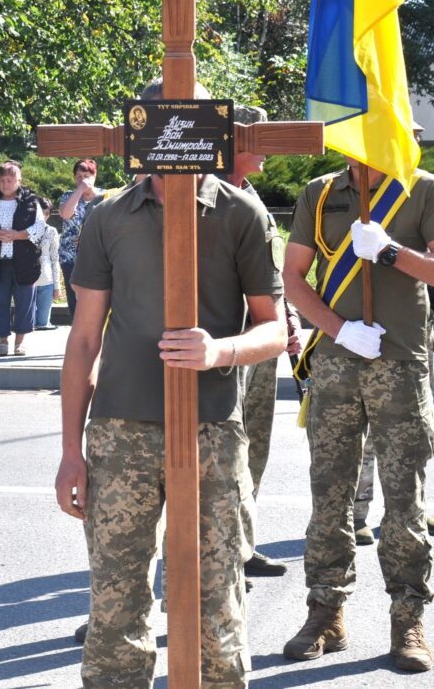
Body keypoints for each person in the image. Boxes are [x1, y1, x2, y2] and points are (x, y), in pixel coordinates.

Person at [55, 79, 288, 688]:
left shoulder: (241, 213)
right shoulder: (109, 216)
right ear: (139, 131)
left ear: (211, 128)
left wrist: (220, 350)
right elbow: (83, 340)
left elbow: (276, 331)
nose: (175, 134)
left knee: (216, 601)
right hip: (121, 431)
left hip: (211, 431)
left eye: (189, 120)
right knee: (116, 603)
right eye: (160, 121)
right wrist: (70, 451)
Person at [282, 154, 434, 672]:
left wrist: (390, 252)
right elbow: (294, 277)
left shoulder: (424, 188)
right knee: (330, 494)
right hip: (337, 362)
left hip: (401, 364)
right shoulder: (319, 193)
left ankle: (407, 617)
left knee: (404, 499)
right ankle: (325, 611)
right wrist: (338, 330)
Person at [228, 105, 303, 581]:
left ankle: (242, 542)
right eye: (261, 137)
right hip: (228, 343)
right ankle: (218, 556)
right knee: (226, 447)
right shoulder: (200, 195)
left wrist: (289, 318)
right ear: (237, 140)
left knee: (255, 443)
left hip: (262, 340)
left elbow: (271, 275)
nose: (269, 148)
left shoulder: (250, 197)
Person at [352, 286, 434, 545]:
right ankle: (356, 514)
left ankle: (412, 508)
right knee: (369, 436)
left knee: (418, 428)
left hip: (418, 332)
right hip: (374, 328)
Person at [0, 160, 45, 356]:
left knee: (24, 302)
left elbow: (40, 227)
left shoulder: (31, 201)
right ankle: (2, 341)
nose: (6, 184)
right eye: (3, 180)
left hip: (24, 261)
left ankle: (20, 342)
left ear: (19, 181)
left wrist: (17, 235)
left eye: (10, 180)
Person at [57, 159, 105, 321]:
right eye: (79, 176)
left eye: (86, 176)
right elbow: (66, 214)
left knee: (97, 298)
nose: (83, 180)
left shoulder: (105, 197)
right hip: (70, 257)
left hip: (97, 257)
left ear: (94, 176)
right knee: (75, 300)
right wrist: (79, 191)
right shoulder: (67, 196)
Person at [34, 196, 62, 330]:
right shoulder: (23, 231)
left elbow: (55, 259)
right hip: (28, 282)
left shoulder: (52, 231)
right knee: (28, 322)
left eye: (46, 214)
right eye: (40, 213)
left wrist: (57, 286)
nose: (43, 217)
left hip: (47, 281)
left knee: (43, 323)